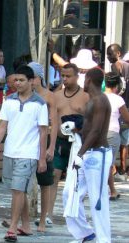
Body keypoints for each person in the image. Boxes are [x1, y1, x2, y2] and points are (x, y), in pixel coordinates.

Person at [0, 65, 48, 242]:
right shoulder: (9, 101)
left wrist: (42, 157)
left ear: (31, 81)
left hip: (28, 154)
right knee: (17, 191)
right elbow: (3, 126)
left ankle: (13, 228)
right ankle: (26, 226)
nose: (18, 83)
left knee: (17, 190)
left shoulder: (40, 104)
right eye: (16, 80)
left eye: (22, 80)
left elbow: (43, 131)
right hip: (9, 152)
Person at [65, 68, 113, 243]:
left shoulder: (100, 101)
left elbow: (96, 131)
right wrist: (75, 128)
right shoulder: (92, 101)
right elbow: (88, 129)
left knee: (97, 200)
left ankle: (104, 240)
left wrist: (80, 153)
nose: (82, 83)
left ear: (89, 80)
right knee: (69, 194)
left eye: (84, 79)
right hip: (87, 153)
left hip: (97, 155)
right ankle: (85, 233)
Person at [48, 63, 89, 223]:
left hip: (78, 143)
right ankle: (48, 214)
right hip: (60, 141)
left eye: (68, 76)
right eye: (62, 76)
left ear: (77, 76)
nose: (65, 79)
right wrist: (50, 146)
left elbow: (91, 120)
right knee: (54, 176)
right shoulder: (56, 96)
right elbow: (52, 121)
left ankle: (76, 214)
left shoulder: (85, 96)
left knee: (77, 180)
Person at [28, 62, 58, 232]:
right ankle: (22, 218)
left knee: (45, 182)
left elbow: (53, 123)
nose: (30, 81)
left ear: (38, 78)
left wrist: (51, 147)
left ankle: (42, 219)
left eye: (32, 78)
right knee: (23, 181)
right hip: (29, 141)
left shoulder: (48, 96)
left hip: (43, 140)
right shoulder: (25, 95)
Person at [104, 72, 129, 199]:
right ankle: (112, 191)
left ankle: (109, 189)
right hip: (113, 133)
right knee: (109, 163)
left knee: (101, 162)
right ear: (117, 85)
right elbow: (127, 118)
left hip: (98, 132)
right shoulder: (118, 99)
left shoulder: (99, 97)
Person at [107, 44, 129, 176]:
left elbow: (121, 87)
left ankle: (119, 167)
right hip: (122, 104)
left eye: (110, 54)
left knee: (122, 135)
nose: (108, 57)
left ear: (118, 53)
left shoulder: (119, 65)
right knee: (124, 137)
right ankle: (122, 167)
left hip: (122, 104)